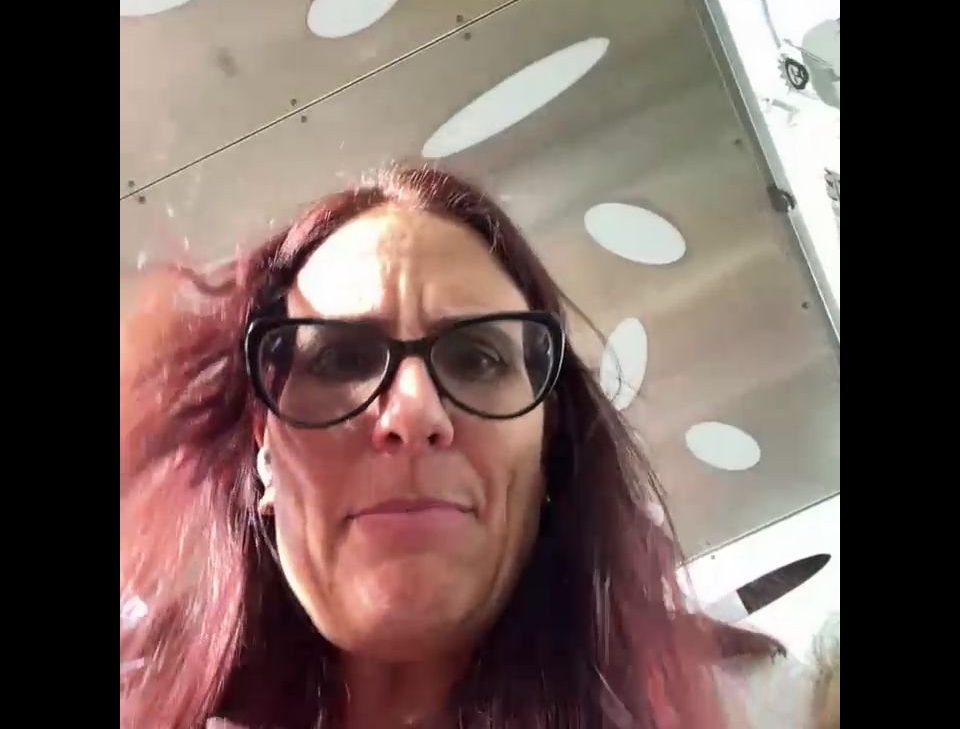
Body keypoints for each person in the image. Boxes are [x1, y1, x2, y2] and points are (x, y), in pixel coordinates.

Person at [120, 165, 785, 729]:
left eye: (477, 359)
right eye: (340, 359)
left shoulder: (762, 706)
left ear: (548, 442)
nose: (415, 413)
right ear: (265, 450)